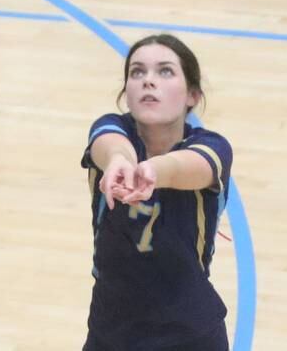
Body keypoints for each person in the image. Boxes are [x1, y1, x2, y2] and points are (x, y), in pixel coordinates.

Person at [80, 33, 233, 351]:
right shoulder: (109, 131)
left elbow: (186, 167)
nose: (149, 81)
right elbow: (108, 144)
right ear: (126, 93)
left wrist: (153, 171)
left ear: (192, 95)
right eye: (137, 72)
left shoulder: (211, 147)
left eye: (165, 71)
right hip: (111, 332)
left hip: (188, 334)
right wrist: (121, 161)